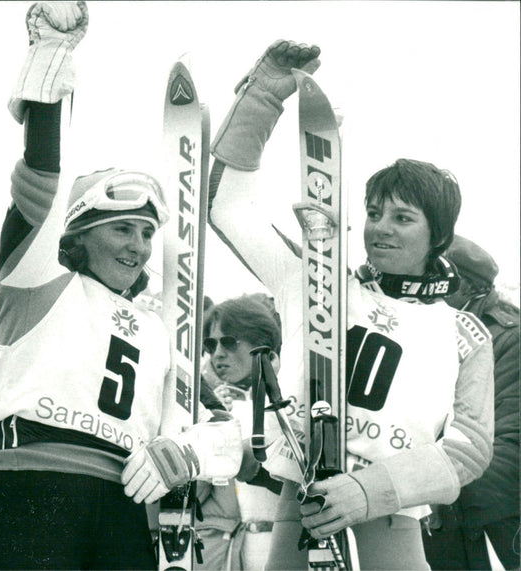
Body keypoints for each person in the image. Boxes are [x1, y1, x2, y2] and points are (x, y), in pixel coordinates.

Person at [207, 39, 494, 569]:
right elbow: (228, 208)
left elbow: (471, 448)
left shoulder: (463, 333)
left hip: (391, 519)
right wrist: (265, 96)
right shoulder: (316, 279)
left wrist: (370, 489)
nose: (381, 229)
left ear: (438, 236)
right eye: (374, 213)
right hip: (301, 507)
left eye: (402, 218)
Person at [0, 3, 243, 569]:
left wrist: (185, 450)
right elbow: (38, 193)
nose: (138, 246)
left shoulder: (152, 325)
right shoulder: (40, 285)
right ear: (77, 235)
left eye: (148, 232)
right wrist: (49, 69)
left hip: (120, 499)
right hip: (36, 488)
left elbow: (207, 425)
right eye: (122, 228)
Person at [422, 235, 520, 571]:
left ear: (463, 287)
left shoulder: (509, 339)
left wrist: (436, 491)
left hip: (493, 518)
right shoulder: (431, 330)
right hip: (444, 512)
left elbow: (511, 443)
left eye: (435, 277)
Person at [197, 294, 284, 571]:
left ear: (260, 342)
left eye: (229, 342)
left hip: (285, 544)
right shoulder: (207, 408)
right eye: (211, 345)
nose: (218, 353)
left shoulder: (290, 398)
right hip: (231, 550)